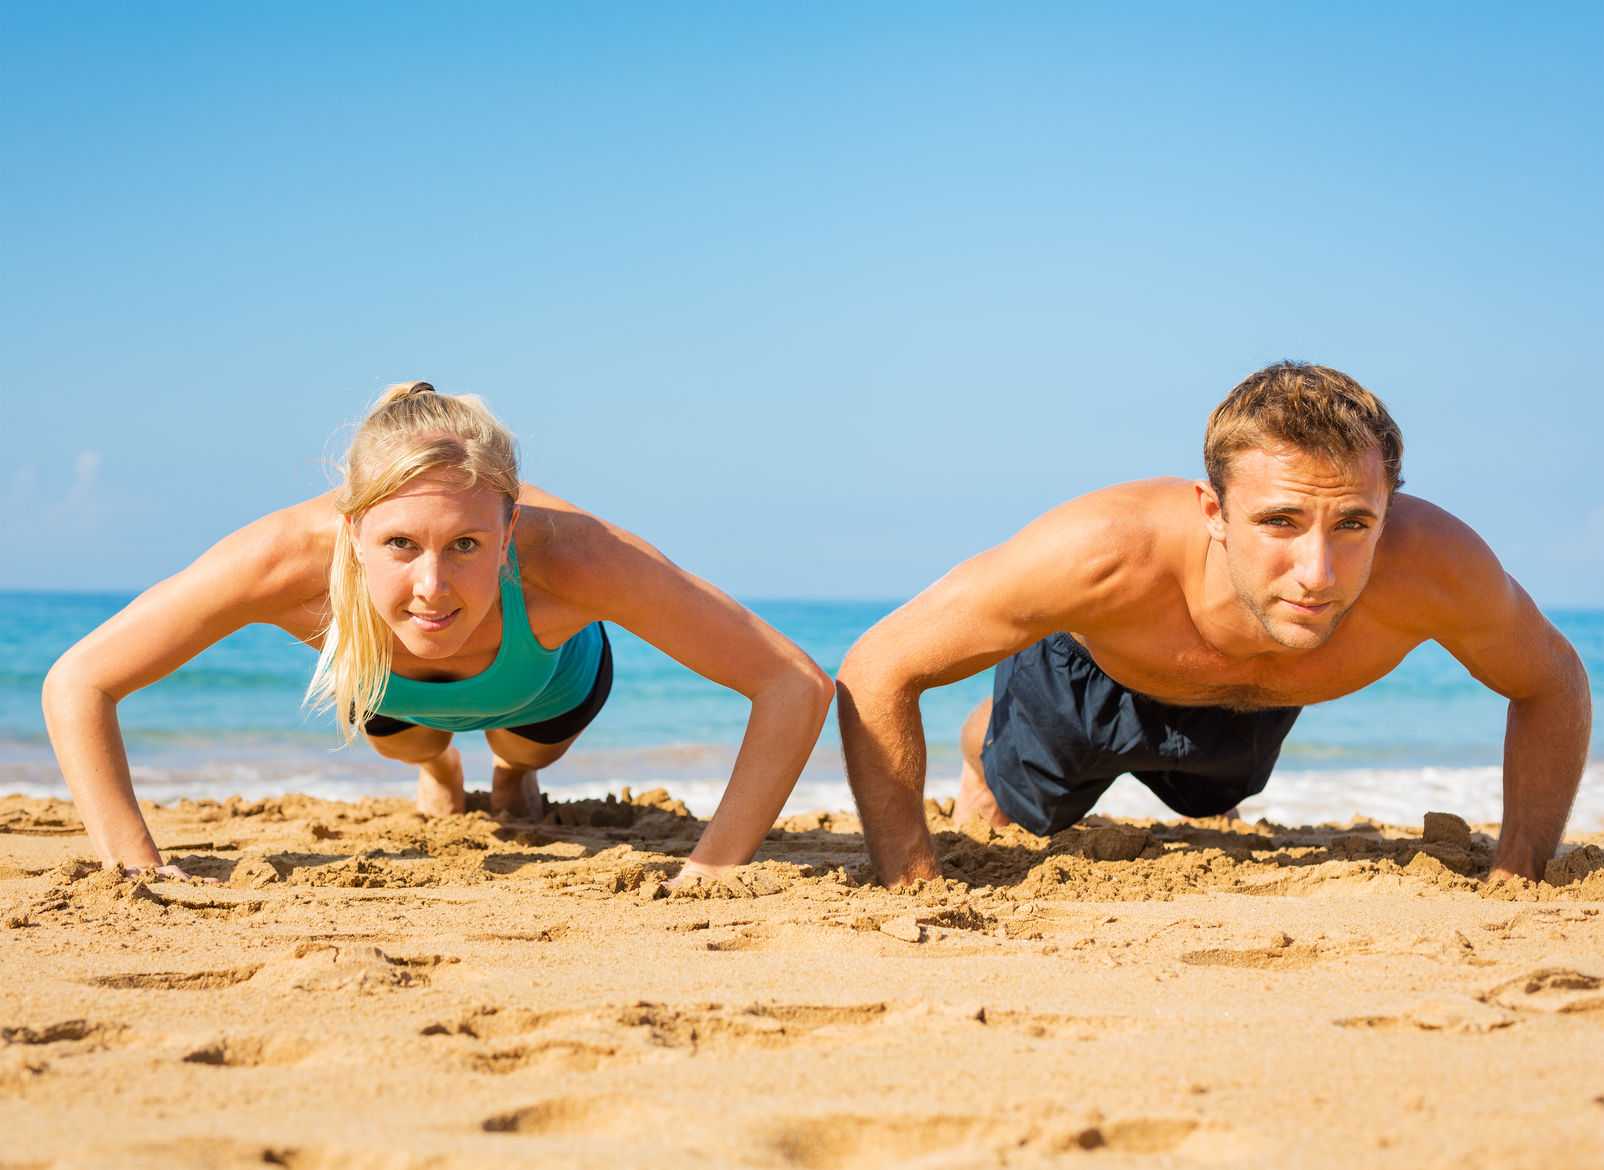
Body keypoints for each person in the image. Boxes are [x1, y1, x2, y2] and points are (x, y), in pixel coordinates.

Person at [836, 362, 1591, 887]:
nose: (1318, 574)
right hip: (1090, 678)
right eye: (1280, 521)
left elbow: (1553, 683)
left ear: (1389, 506)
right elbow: (880, 667)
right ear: (1213, 511)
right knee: (1030, 803)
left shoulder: (1437, 566)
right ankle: (985, 737)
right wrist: (911, 877)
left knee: (1206, 801)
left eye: (1355, 523)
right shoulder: (1105, 551)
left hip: (1250, 702)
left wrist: (1516, 870)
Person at [44, 383, 834, 882]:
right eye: (399, 545)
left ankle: (511, 778)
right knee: (412, 742)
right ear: (352, 530)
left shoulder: (578, 557)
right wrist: (134, 867)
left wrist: (709, 870)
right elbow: (80, 681)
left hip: (544, 685)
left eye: (465, 545)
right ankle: (440, 774)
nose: (432, 587)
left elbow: (792, 683)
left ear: (510, 523)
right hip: (387, 691)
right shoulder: (283, 562)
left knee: (528, 750)